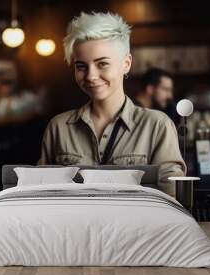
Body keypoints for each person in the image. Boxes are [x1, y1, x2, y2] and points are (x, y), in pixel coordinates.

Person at [38, 12, 185, 196]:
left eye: (102, 64)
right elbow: (42, 196)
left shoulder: (157, 125)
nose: (91, 76)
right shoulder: (58, 127)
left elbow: (172, 199)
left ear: (126, 63)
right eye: (81, 66)